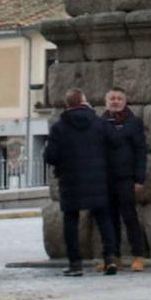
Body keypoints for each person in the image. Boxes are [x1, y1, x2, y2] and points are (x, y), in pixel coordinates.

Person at [43, 88, 119, 276]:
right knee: (103, 218)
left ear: (67, 104)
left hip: (70, 180)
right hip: (97, 178)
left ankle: (75, 264)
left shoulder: (59, 127)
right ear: (84, 102)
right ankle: (110, 258)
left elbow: (50, 156)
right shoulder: (99, 123)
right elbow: (114, 144)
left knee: (71, 221)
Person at [95, 86, 148, 273]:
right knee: (110, 220)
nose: (115, 101)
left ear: (124, 102)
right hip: (106, 178)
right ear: (106, 102)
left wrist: (139, 178)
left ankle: (138, 255)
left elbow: (141, 151)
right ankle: (112, 257)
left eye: (119, 98)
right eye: (112, 98)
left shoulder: (134, 123)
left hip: (126, 178)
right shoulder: (100, 123)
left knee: (130, 218)